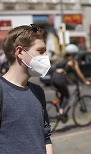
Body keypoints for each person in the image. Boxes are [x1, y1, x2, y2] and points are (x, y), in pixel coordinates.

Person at [1, 24, 53, 154]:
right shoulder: (2, 91)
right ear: (20, 52)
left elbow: (46, 137)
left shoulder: (38, 91)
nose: (46, 56)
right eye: (40, 51)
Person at [51, 44, 90, 116]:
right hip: (60, 78)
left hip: (53, 77)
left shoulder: (62, 58)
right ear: (74, 53)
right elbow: (79, 73)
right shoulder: (73, 61)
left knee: (63, 94)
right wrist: (85, 81)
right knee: (67, 96)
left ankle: (60, 110)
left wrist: (70, 79)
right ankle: (61, 112)